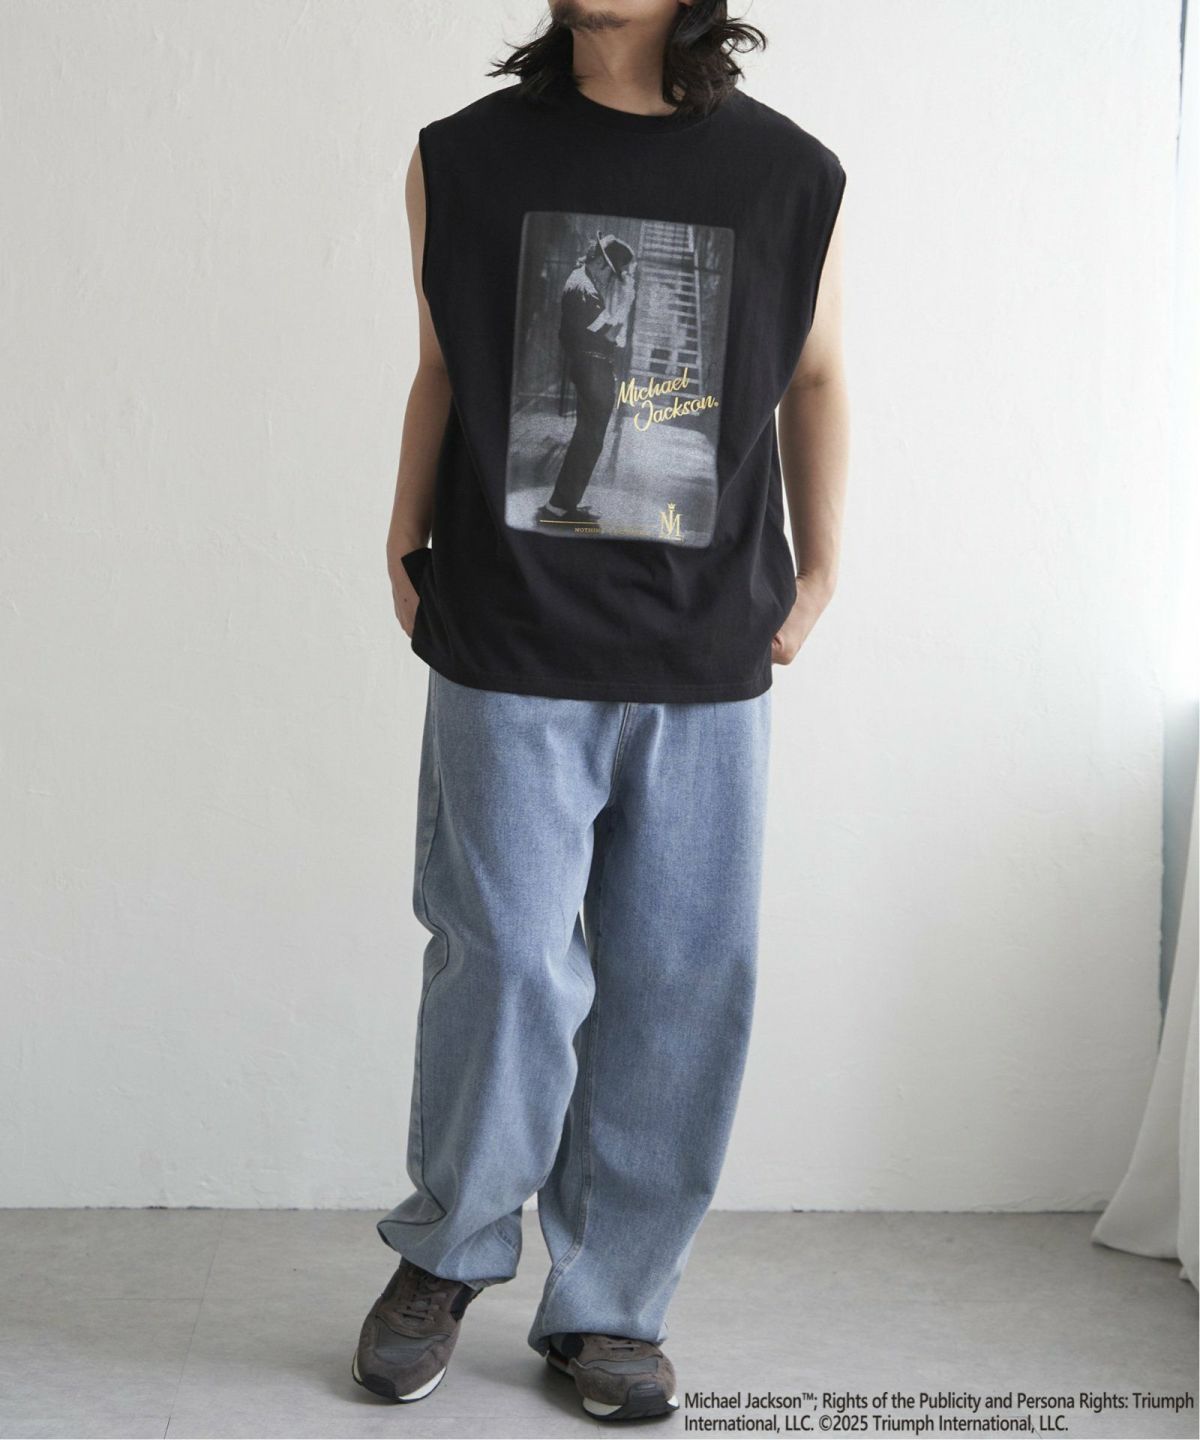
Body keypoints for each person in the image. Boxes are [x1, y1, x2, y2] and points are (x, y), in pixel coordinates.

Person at [355, 0, 849, 1422]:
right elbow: (445, 366)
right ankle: (447, 1252)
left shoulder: (789, 173)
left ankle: (612, 1303)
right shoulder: (461, 157)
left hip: (704, 654)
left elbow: (815, 376)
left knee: (681, 981)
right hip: (507, 638)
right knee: (503, 959)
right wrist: (400, 538)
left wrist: (820, 574)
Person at [537, 231, 638, 526]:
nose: (611, 278)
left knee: (590, 438)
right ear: (602, 264)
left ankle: (566, 502)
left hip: (592, 366)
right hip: (591, 367)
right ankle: (559, 506)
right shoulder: (583, 287)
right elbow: (610, 334)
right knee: (589, 438)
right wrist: (626, 302)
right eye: (612, 272)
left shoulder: (583, 282)